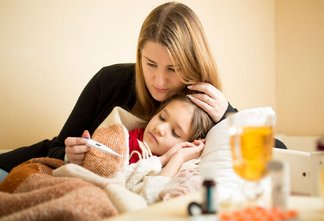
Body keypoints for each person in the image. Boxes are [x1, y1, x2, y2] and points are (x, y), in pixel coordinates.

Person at [0, 2, 285, 174]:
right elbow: (57, 145)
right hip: (37, 161)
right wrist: (67, 154)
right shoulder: (110, 81)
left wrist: (228, 115)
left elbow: (280, 153)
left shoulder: (200, 107)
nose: (159, 82)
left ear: (192, 65)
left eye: (172, 69)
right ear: (139, 55)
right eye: (150, 64)